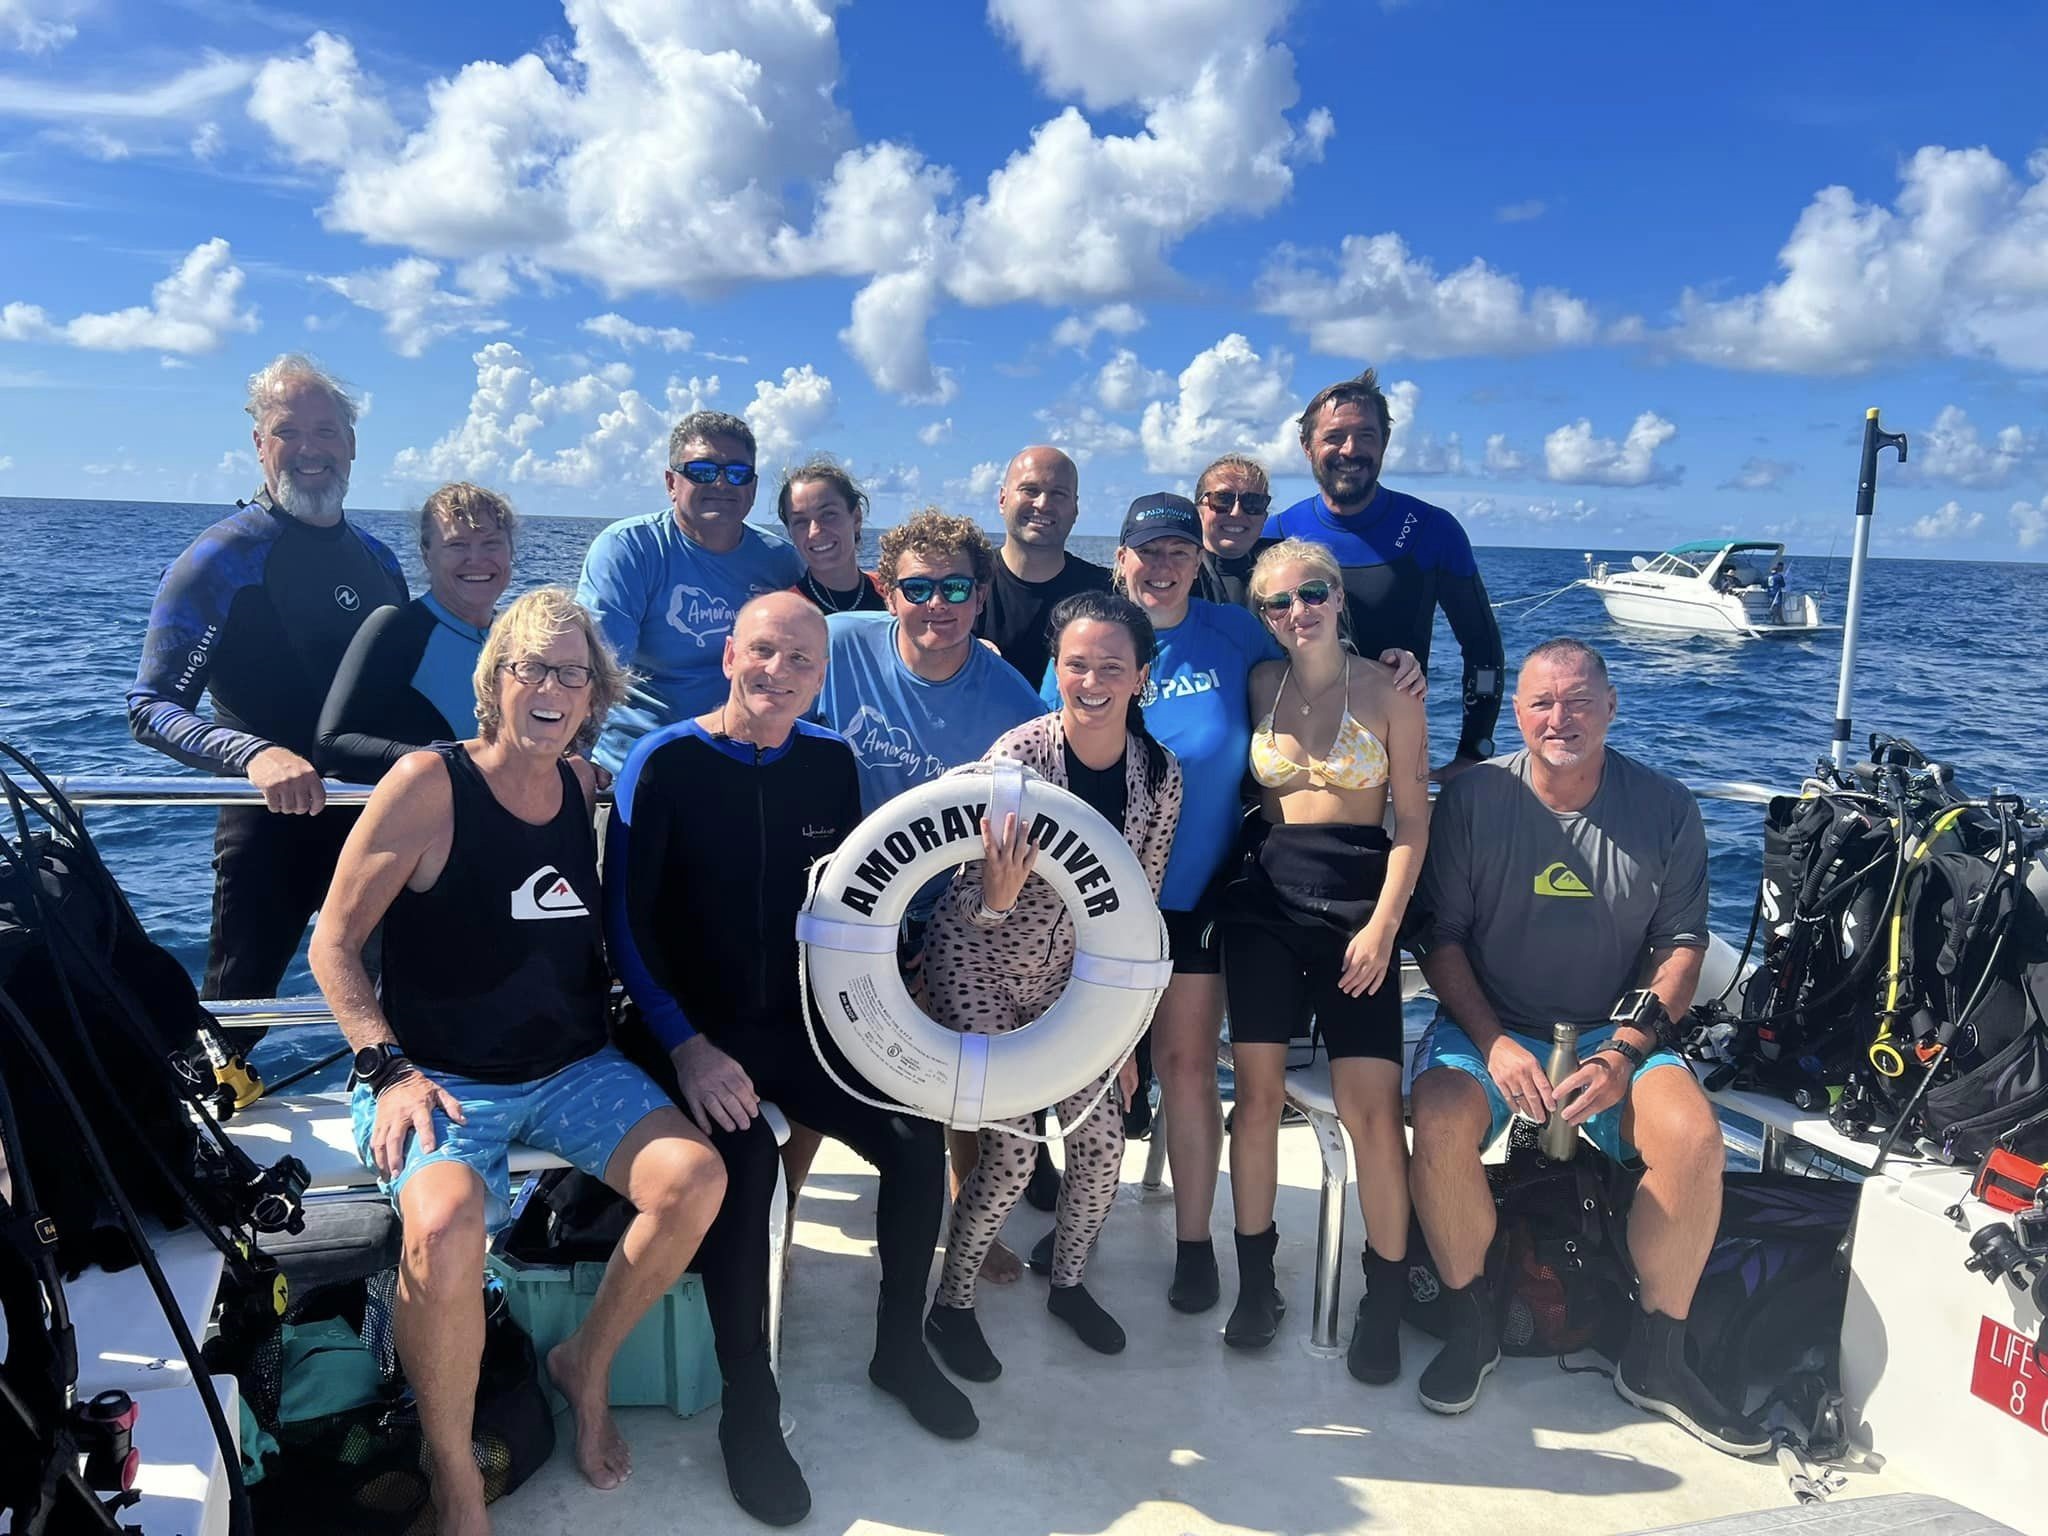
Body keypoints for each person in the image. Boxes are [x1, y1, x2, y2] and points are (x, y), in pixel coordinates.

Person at [308, 588, 727, 1536]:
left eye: (573, 674)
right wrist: (387, 1070)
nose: (552, 688)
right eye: (531, 668)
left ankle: (585, 1364)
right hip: (440, 1074)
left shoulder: (583, 788)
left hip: (572, 1066)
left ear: (594, 695)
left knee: (696, 1178)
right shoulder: (428, 783)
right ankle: (454, 1470)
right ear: (495, 680)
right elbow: (332, 943)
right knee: (446, 1228)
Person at [605, 593, 975, 1526]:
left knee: (910, 1137)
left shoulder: (831, 762)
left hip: (798, 1026)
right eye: (764, 652)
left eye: (802, 661)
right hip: (681, 1028)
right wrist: (686, 1049)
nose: (780, 673)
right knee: (747, 1167)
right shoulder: (665, 762)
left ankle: (898, 1348)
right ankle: (751, 1408)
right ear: (731, 655)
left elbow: (855, 908)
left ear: (821, 674)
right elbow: (625, 926)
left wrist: (886, 1020)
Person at [1048, 495, 1425, 1312]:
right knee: (1085, 1069)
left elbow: (1317, 658)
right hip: (1092, 900)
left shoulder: (1238, 639)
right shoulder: (1088, 645)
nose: (1162, 566)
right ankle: (1074, 1223)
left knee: (1186, 1068)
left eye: (1179, 551)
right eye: (1146, 551)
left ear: (1198, 564)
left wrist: (1399, 663)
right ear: (1119, 559)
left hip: (1195, 896)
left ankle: (1194, 1247)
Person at [1406, 637, 1769, 1456]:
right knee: (1437, 1120)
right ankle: (1472, 1324)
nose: (1558, 718)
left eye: (1577, 700)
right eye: (1540, 702)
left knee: (1695, 1138)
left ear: (1612, 706)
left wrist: (1627, 1051)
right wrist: (1495, 1044)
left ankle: (1658, 1355)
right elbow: (1444, 939)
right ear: (1518, 713)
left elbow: (1681, 945)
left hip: (1615, 1029)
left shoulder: (1667, 805)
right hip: (1488, 1022)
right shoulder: (1473, 802)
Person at [924, 592, 1183, 1374]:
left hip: (1073, 979)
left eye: (1112, 665)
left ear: (1142, 676)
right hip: (979, 959)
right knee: (1011, 1153)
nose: (1092, 680)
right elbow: (957, 891)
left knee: (1103, 1145)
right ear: (1055, 670)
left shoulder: (1160, 777)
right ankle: (952, 1303)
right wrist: (996, 902)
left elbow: (1139, 912)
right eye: (1076, 664)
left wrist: (1125, 1039)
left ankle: (1066, 1281)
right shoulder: (1015, 763)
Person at [810, 507, 1047, 1278]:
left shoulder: (1014, 701)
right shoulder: (835, 647)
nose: (936, 604)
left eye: (955, 587)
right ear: (886, 590)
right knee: (815, 1065)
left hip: (947, 909)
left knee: (959, 1069)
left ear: (981, 596)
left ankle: (966, 1215)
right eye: (918, 587)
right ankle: (774, 1223)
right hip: (834, 896)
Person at [128, 353, 407, 1005]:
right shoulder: (222, 558)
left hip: (374, 822)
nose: (309, 450)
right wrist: (254, 755)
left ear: (353, 444)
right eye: (288, 431)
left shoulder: (379, 560)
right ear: (260, 445)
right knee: (235, 1018)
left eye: (326, 431)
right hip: (270, 825)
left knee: (409, 1003)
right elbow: (150, 706)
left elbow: (404, 695)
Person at [1219, 540, 1430, 1381]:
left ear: (1339, 597)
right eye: (1276, 603)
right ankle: (1256, 1282)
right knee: (1258, 1099)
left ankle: (1382, 1293)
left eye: (1311, 594)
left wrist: (1384, 927)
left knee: (1370, 1108)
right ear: (1262, 617)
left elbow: (1413, 820)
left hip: (1357, 908)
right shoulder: (1259, 685)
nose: (1296, 611)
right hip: (1266, 902)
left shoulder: (1390, 692)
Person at [1267, 370, 1506, 778]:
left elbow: (1482, 649)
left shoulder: (1432, 530)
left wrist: (1474, 750)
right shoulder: (1277, 535)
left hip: (1396, 761)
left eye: (1366, 435)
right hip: (1298, 760)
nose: (1350, 449)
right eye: (1334, 437)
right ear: (1307, 447)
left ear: (1385, 444)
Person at [574, 409, 802, 771]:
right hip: (637, 765)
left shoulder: (781, 561)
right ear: (671, 482)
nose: (722, 484)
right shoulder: (629, 549)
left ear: (754, 488)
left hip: (749, 763)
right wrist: (573, 763)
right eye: (702, 471)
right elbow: (595, 670)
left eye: (738, 473)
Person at [315, 483, 515, 783]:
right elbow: (332, 747)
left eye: (491, 543)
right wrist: (450, 762)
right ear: (427, 554)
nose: (476, 558)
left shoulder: (519, 638)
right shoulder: (398, 629)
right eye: (456, 544)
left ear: (511, 550)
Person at [974, 445, 1112, 685]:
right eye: (1030, 490)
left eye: (1058, 494)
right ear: (1003, 499)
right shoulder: (963, 585)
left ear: (1075, 508)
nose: (1043, 503)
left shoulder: (1109, 593)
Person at [777, 457, 886, 614]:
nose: (814, 531)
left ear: (856, 517)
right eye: (801, 521)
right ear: (790, 532)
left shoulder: (894, 596)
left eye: (828, 514)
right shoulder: (786, 614)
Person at [1190, 453, 1275, 608]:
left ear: (1264, 516)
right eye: (1222, 499)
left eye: (1253, 502)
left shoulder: (1284, 572)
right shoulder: (1177, 573)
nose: (1236, 512)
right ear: (1198, 510)